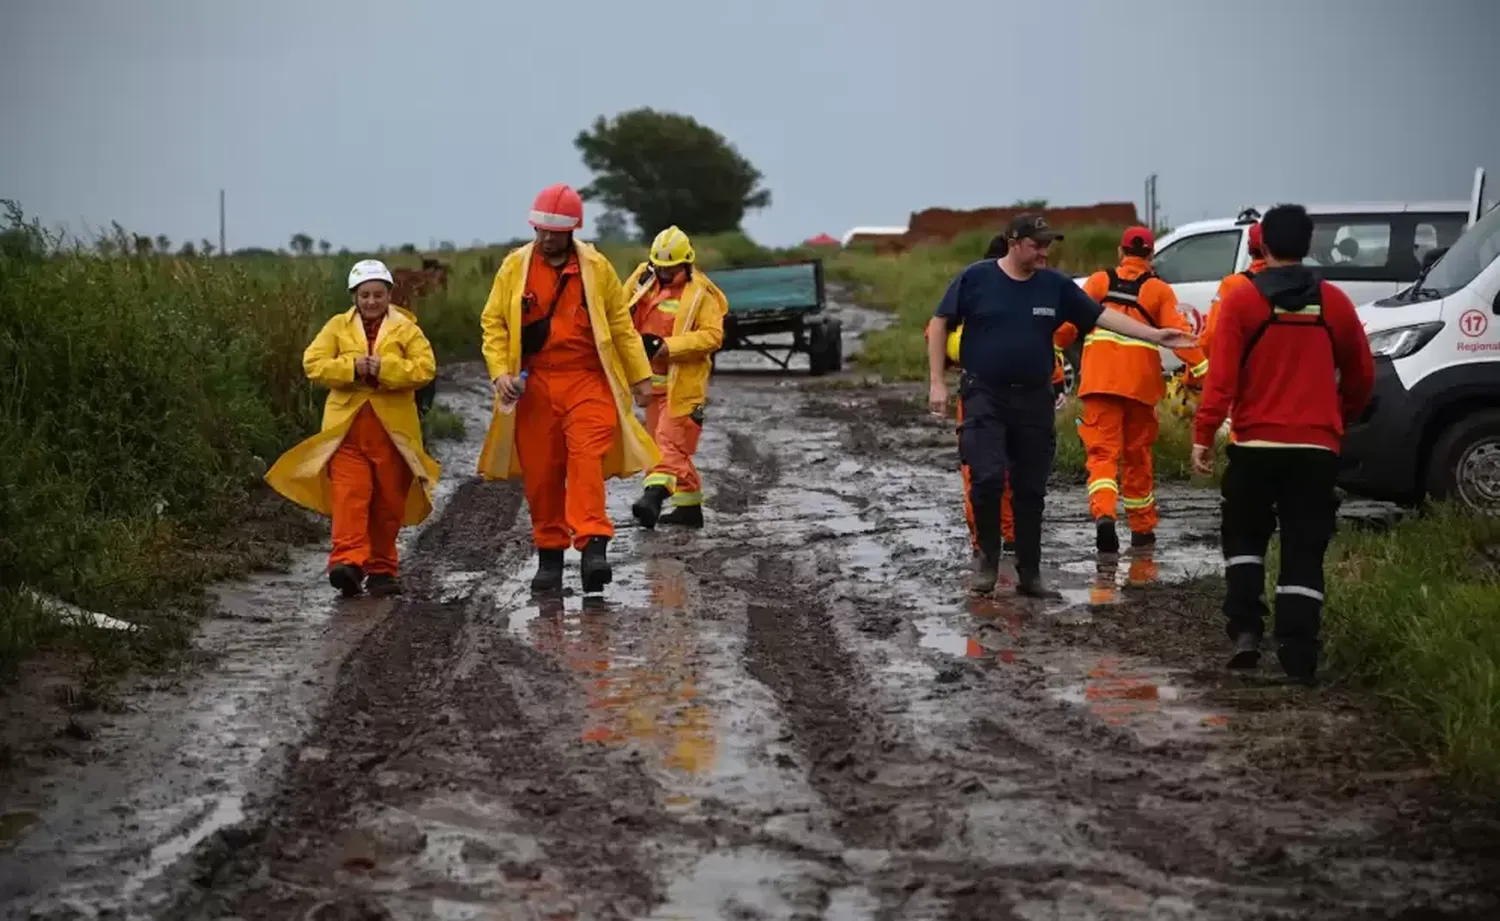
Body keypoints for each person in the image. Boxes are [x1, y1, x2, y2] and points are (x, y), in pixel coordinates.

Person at [928, 214, 1198, 597]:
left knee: (1030, 487)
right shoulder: (976, 278)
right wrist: (937, 382)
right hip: (984, 395)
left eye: (1047, 244)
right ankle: (987, 559)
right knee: (986, 477)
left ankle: (1030, 572)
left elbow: (1104, 317)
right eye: (1037, 244)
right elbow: (939, 323)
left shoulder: (1054, 286)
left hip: (1033, 399)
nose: (1044, 251)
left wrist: (1157, 335)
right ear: (1013, 242)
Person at [1191, 203, 1375, 685]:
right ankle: (1298, 650)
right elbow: (1361, 376)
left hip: (1254, 447)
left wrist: (1202, 435)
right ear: (1309, 244)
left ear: (1263, 245)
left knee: (1245, 540)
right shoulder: (1334, 302)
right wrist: (1336, 421)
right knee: (1303, 547)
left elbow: (1222, 381)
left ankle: (1247, 631)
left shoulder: (1241, 302)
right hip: (1316, 451)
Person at [477, 183, 658, 595]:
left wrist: (640, 377)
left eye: (555, 232)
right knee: (541, 475)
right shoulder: (513, 268)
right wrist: (501, 373)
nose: (546, 238)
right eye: (540, 229)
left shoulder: (597, 268)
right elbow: (494, 324)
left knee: (586, 461)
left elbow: (619, 325)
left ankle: (594, 547)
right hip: (534, 384)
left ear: (573, 230)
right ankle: (550, 556)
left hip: (587, 381)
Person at [265, 259, 441, 598]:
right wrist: (352, 367)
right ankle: (347, 563)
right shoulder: (336, 327)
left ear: (390, 295)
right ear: (354, 297)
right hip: (346, 433)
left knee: (388, 505)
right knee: (349, 498)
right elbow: (313, 364)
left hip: (394, 435)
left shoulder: (407, 329)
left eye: (378, 294)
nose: (372, 302)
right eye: (365, 295)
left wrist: (385, 369)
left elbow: (425, 368)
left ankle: (382, 569)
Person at [1055, 226, 1210, 553]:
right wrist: (1200, 374)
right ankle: (1141, 530)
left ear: (1120, 252)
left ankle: (1105, 516)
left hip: (1100, 384)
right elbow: (1178, 335)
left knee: (1102, 455)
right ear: (1151, 255)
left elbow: (1067, 327)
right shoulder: (1158, 290)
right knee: (1137, 456)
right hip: (1140, 386)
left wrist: (1050, 348)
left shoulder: (1099, 282)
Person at [931, 237, 1068, 558]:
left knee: (988, 473)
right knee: (990, 471)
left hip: (1000, 397)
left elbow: (1046, 346)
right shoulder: (978, 289)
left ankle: (992, 543)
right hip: (988, 395)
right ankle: (999, 542)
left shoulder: (1015, 292)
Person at [624, 225, 728, 530]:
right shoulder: (645, 277)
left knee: (667, 447)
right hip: (649, 384)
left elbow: (712, 336)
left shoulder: (701, 293)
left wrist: (666, 347)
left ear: (686, 263)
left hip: (683, 387)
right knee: (663, 444)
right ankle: (689, 508)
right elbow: (618, 308)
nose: (664, 274)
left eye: (671, 270)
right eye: (661, 268)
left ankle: (653, 498)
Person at [1200, 221, 1268, 358]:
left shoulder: (1233, 284)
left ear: (1249, 247)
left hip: (1246, 368)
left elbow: (1213, 334)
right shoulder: (1303, 286)